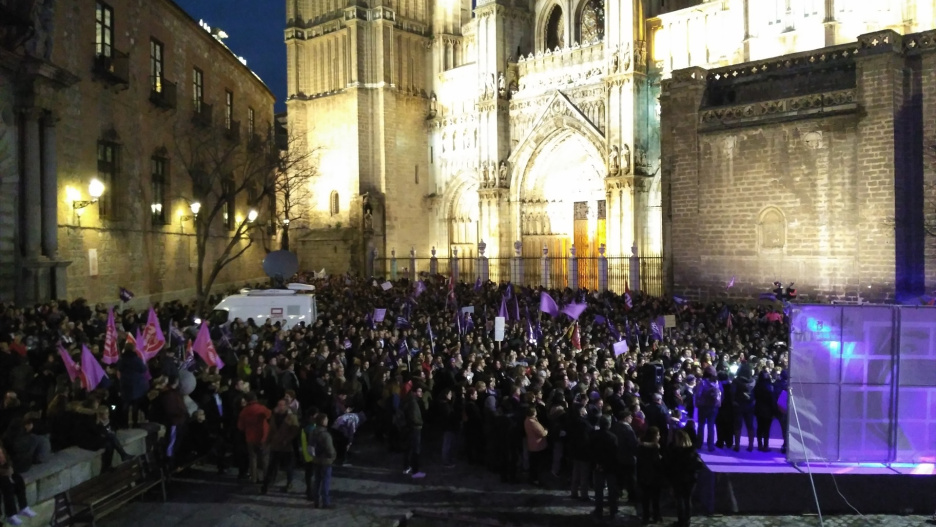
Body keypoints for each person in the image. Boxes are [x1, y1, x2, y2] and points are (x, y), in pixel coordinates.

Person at [261, 399, 299, 494]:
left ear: (286, 406)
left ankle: (289, 483)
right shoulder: (274, 417)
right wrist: (267, 442)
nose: (280, 407)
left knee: (288, 467)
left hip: (286, 446)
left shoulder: (292, 417)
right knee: (271, 466)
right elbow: (271, 431)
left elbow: (294, 431)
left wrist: (287, 440)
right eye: (278, 405)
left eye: (282, 405)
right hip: (275, 446)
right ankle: (266, 485)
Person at [666, 429, 703, 527]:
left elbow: (670, 466)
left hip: (678, 479)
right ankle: (687, 521)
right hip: (690, 480)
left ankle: (681, 521)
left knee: (680, 500)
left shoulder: (675, 452)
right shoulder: (692, 451)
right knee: (687, 500)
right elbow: (699, 466)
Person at [589, 415, 619, 520]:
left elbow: (591, 451)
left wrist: (596, 463)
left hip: (598, 466)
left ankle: (599, 509)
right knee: (612, 490)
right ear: (609, 424)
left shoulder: (594, 435)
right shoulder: (613, 437)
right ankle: (613, 509)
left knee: (598, 490)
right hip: (610, 467)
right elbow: (615, 454)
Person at [237, 392, 271, 484]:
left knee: (253, 458)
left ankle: (254, 478)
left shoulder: (244, 411)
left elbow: (240, 426)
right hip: (263, 437)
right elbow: (269, 415)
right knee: (265, 458)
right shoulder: (261, 408)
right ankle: (266, 477)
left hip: (250, 438)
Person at [0, 445, 35, 527]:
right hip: (2, 475)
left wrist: (8, 466)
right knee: (7, 485)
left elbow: (7, 458)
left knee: (18, 479)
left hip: (5, 471)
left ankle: (24, 507)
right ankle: (11, 514)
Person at [307, 413, 336, 508]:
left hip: (316, 460)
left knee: (317, 481)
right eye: (326, 419)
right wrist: (333, 457)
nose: (327, 421)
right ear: (323, 421)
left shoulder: (313, 432)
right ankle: (325, 502)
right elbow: (330, 450)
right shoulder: (325, 435)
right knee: (325, 482)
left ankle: (316, 501)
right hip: (325, 461)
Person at [636, 426, 664, 525]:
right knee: (655, 499)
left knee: (645, 499)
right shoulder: (655, 448)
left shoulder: (641, 447)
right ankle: (656, 516)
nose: (659, 436)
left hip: (643, 476)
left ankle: (646, 517)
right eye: (658, 435)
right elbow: (656, 464)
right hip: (654, 477)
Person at [693, 366, 721, 452]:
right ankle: (710, 446)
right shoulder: (716, 382)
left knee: (701, 425)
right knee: (711, 425)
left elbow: (698, 394)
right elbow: (721, 393)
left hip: (703, 406)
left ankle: (699, 443)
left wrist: (697, 403)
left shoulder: (702, 382)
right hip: (713, 407)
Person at [731, 363, 756, 452]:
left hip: (739, 404)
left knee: (738, 426)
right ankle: (751, 445)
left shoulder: (736, 381)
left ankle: (737, 445)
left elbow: (732, 392)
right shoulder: (753, 381)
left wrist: (733, 401)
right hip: (750, 405)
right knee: (750, 425)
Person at [402, 384, 425, 479]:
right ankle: (415, 472)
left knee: (409, 448)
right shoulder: (413, 403)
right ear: (414, 392)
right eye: (419, 391)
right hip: (414, 428)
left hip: (409, 428)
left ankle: (407, 467)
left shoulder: (410, 400)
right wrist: (421, 423)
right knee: (415, 450)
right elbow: (414, 418)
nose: (421, 393)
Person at [523, 406, 548, 486]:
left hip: (532, 444)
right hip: (537, 445)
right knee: (537, 464)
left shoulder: (527, 420)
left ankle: (533, 478)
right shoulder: (532, 422)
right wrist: (546, 431)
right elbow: (542, 433)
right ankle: (536, 479)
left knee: (533, 463)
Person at [753, 369, 776, 452]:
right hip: (768, 410)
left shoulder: (757, 385)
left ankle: (759, 444)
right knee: (766, 429)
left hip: (759, 409)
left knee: (760, 427)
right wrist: (774, 411)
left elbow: (754, 396)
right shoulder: (770, 387)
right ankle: (766, 445)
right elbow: (772, 400)